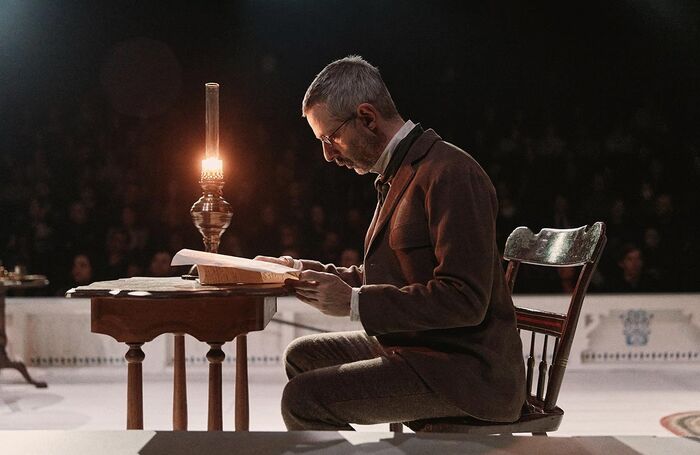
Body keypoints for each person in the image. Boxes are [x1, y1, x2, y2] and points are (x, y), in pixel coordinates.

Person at [257, 56, 525, 430]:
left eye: (330, 138)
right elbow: (395, 275)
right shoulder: (401, 173)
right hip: (421, 351)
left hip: (466, 372)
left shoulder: (450, 173)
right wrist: (308, 273)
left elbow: (465, 300)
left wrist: (354, 303)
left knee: (304, 398)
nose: (328, 155)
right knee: (301, 356)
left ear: (367, 118)